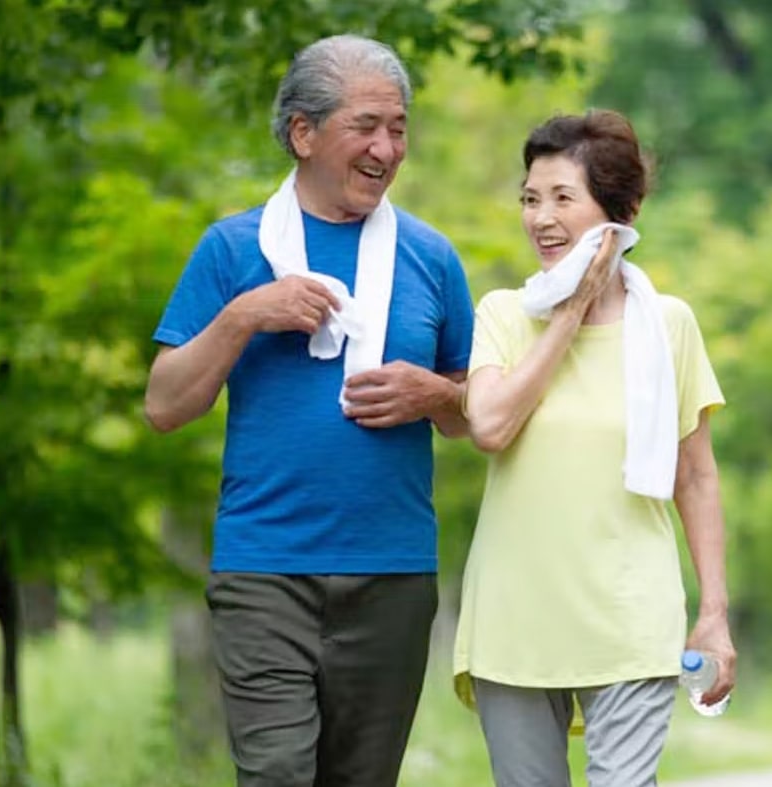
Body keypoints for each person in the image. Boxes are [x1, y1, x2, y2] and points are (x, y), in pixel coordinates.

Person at [144, 34, 474, 787]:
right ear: (302, 132)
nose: (387, 148)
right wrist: (243, 316)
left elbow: (474, 416)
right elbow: (164, 405)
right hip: (265, 571)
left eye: (398, 128)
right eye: (366, 126)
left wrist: (437, 394)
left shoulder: (433, 257)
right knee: (277, 774)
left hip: (392, 573)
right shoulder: (233, 250)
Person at [452, 109, 737, 787]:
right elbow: (489, 426)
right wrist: (569, 314)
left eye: (561, 198)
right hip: (515, 619)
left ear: (620, 211)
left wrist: (714, 616)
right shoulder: (502, 314)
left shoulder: (668, 324)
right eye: (529, 198)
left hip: (630, 615)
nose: (540, 218)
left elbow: (695, 478)